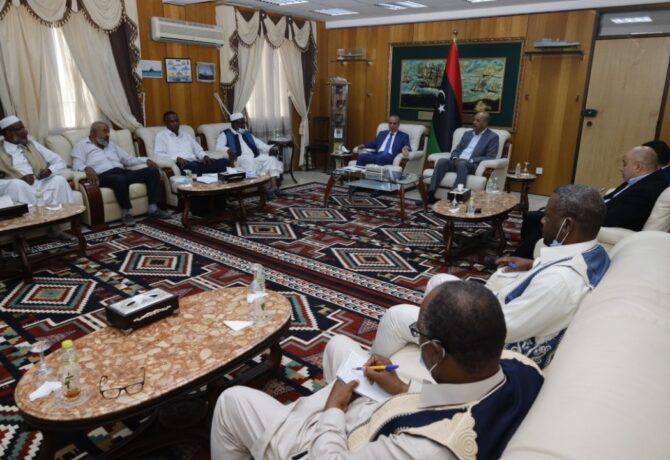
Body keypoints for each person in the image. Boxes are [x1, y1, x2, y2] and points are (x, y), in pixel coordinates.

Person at [211, 281, 544, 460]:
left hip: (338, 443)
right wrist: (402, 388)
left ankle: (297, 421)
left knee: (232, 400)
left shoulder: (426, 450)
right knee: (340, 345)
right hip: (393, 415)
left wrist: (334, 407)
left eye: (419, 335)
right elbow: (462, 399)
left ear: (435, 352)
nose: (418, 340)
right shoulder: (522, 368)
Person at [373, 184, 610, 372]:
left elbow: (503, 329)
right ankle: (433, 359)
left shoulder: (559, 283)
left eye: (547, 216)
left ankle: (370, 375)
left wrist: (461, 311)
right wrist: (532, 264)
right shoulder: (592, 252)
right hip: (502, 314)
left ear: (567, 226)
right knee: (439, 281)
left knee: (395, 317)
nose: (541, 220)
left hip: (491, 346)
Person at [513, 145, 668, 258]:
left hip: (598, 222)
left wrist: (580, 209)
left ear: (638, 167)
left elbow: (614, 218)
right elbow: (613, 200)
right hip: (598, 212)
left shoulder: (646, 189)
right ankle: (523, 253)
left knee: (545, 221)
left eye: (624, 163)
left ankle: (519, 257)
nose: (621, 168)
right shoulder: (642, 180)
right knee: (533, 216)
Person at [72, 121, 170, 226]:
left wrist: (145, 160)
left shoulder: (111, 145)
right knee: (119, 179)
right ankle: (126, 213)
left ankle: (153, 208)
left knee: (152, 171)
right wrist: (87, 168)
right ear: (93, 133)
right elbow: (76, 164)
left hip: (122, 172)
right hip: (103, 176)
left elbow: (128, 159)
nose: (108, 135)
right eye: (105, 132)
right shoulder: (82, 145)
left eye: (108, 132)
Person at [0, 115, 76, 240]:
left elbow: (59, 161)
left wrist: (49, 171)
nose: (25, 132)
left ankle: (56, 229)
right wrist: (19, 179)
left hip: (38, 183)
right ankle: (20, 236)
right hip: (13, 186)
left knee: (59, 180)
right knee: (17, 185)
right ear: (9, 133)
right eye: (20, 129)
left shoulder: (32, 144)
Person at [427, 111, 499, 204]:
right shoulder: (467, 134)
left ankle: (454, 196)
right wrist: (454, 158)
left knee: (462, 164)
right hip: (457, 161)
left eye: (478, 121)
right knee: (441, 161)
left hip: (471, 164)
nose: (474, 122)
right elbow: (456, 150)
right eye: (474, 120)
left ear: (485, 124)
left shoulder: (492, 137)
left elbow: (490, 157)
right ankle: (431, 193)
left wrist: (472, 160)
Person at [215, 112, 283, 197]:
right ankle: (264, 190)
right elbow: (218, 147)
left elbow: (259, 144)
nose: (244, 125)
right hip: (239, 158)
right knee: (249, 160)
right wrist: (228, 150)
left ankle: (274, 187)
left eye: (244, 123)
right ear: (234, 124)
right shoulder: (225, 134)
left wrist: (270, 148)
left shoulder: (246, 133)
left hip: (254, 156)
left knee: (271, 159)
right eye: (241, 123)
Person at [154, 111, 229, 175]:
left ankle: (219, 185)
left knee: (223, 162)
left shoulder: (186, 135)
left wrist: (204, 156)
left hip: (195, 162)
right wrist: (176, 158)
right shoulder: (161, 136)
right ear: (166, 123)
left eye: (177, 121)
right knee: (193, 167)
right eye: (172, 122)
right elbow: (159, 155)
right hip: (181, 165)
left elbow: (198, 150)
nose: (175, 123)